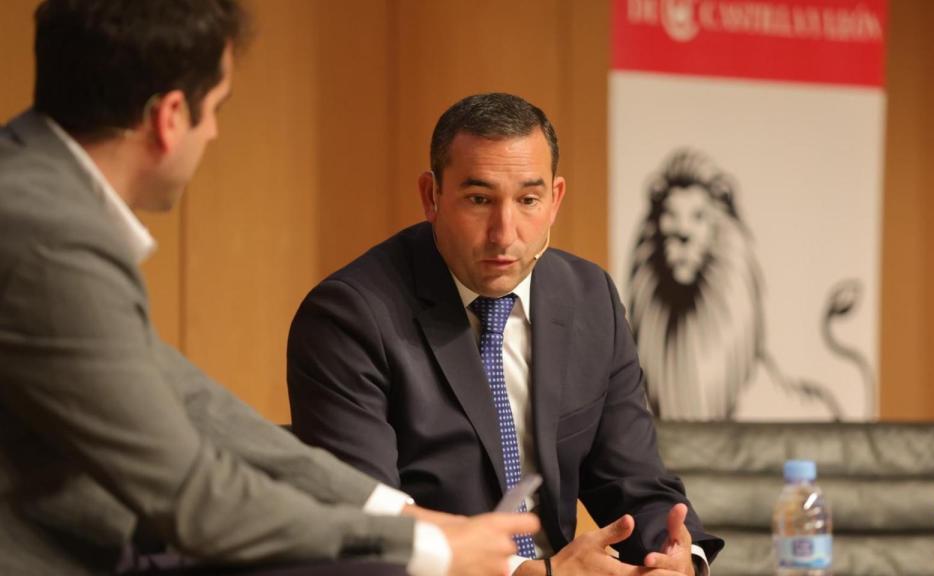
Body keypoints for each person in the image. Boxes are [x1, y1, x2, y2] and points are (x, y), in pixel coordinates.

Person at [0, 3, 536, 575]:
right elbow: (195, 499)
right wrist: (428, 551)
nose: (214, 133)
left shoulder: (33, 192)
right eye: (216, 110)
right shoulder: (48, 237)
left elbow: (186, 397)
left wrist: (398, 513)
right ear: (171, 116)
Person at [288, 93, 725, 576]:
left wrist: (676, 557)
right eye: (479, 200)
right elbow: (368, 523)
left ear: (555, 199)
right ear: (431, 197)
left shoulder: (588, 297)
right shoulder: (350, 316)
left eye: (528, 200)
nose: (504, 232)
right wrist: (532, 574)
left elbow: (634, 480)